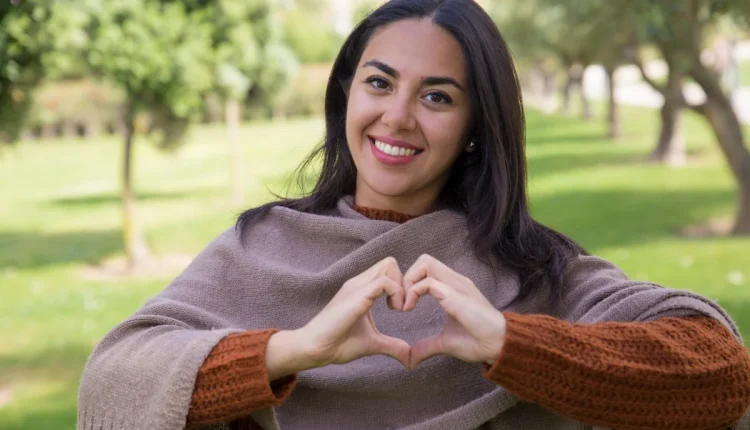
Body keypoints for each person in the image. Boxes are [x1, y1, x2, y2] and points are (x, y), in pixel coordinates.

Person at [77, 1, 750, 429]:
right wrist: (294, 350)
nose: (395, 117)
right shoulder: (260, 245)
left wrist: (510, 344)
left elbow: (718, 368)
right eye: (378, 83)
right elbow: (115, 382)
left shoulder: (532, 266)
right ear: (345, 94)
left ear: (475, 126)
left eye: (436, 96)